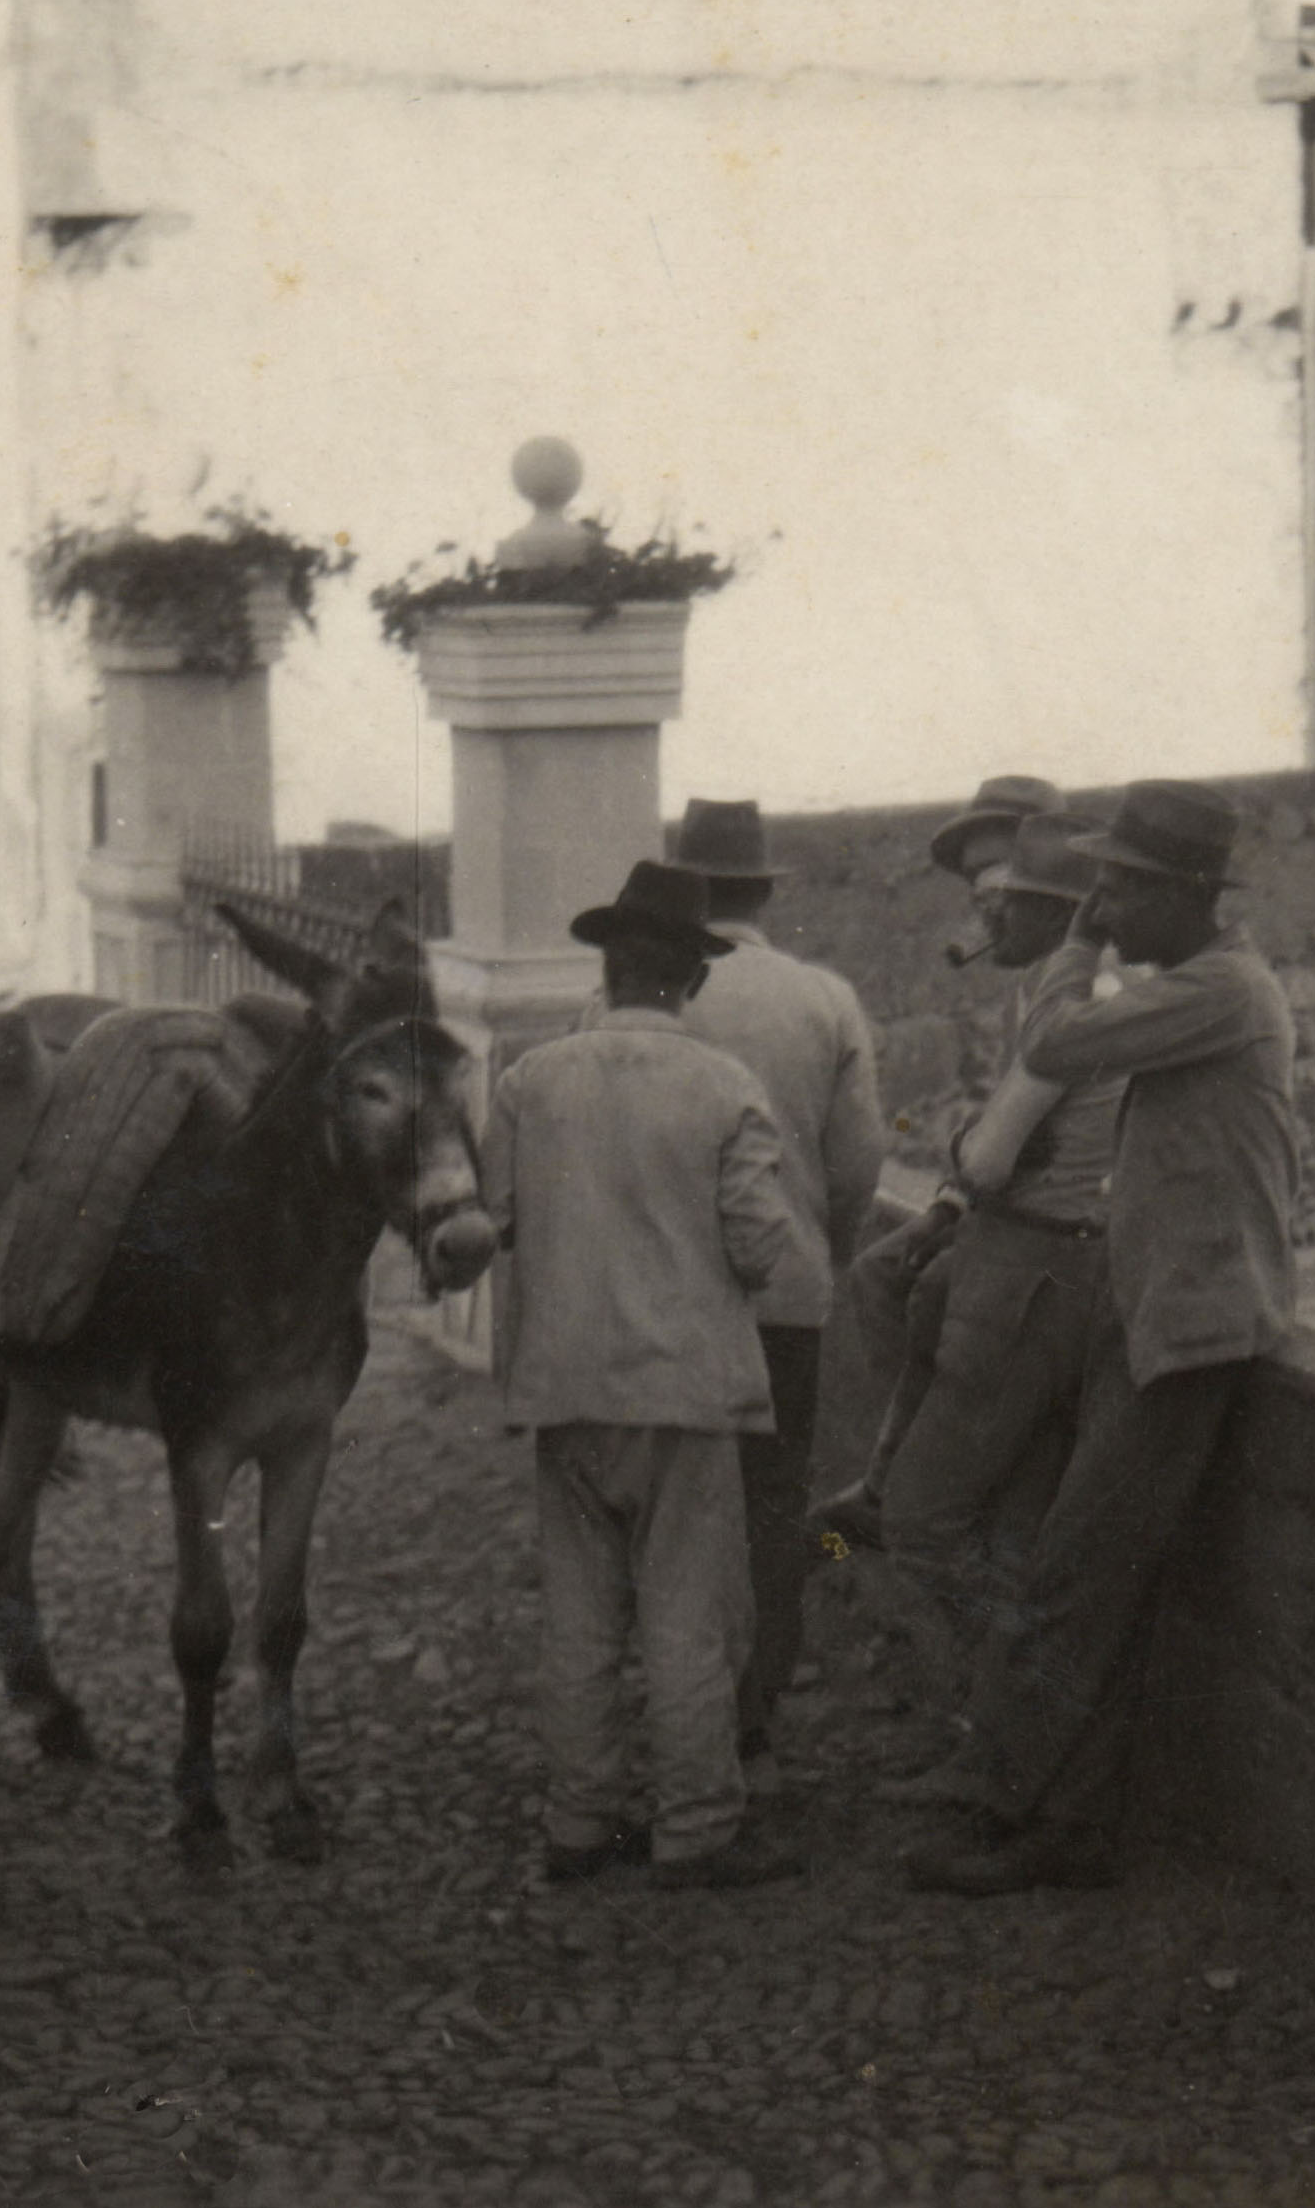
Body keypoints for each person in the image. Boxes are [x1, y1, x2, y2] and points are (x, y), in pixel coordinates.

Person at [902, 779, 1296, 1897]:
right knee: (1089, 1579)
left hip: (1189, 1330)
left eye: (1121, 887)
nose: (1105, 906)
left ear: (1183, 895)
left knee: (1071, 1576)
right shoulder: (1200, 987)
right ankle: (1040, 1806)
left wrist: (1069, 945)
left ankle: (1034, 1822)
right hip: (1158, 1316)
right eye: (1100, 888)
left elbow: (1060, 1042)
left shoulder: (1220, 990)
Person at [484, 858, 830, 1893]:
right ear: (691, 978)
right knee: (687, 1614)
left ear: (609, 967)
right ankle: (695, 1827)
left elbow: (493, 1220)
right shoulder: (727, 1089)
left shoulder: (527, 1083)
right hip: (684, 1393)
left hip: (563, 1387)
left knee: (580, 1616)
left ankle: (578, 1823)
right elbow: (762, 1248)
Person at [845, 809, 1130, 1737]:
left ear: (1053, 914)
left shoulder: (1066, 1004)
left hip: (1031, 1276)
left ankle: (1022, 1718)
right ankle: (1011, 1731)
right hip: (1056, 1270)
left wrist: (964, 1150)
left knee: (927, 1528)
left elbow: (992, 1156)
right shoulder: (1076, 992)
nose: (987, 925)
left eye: (1004, 905)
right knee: (1005, 1529)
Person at [656, 798, 884, 1775]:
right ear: (760, 892)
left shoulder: (643, 996)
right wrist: (817, 1255)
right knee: (776, 1497)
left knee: (674, 1503)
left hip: (669, 1299)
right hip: (785, 1296)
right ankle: (760, 1696)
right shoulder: (823, 998)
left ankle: (681, 1704)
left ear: (686, 892)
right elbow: (859, 1164)